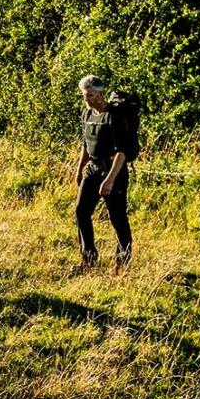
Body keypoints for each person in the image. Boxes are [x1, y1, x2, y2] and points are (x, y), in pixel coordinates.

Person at [74, 75, 139, 272]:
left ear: (101, 94)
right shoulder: (87, 115)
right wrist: (79, 170)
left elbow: (122, 151)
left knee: (117, 217)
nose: (87, 99)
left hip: (114, 172)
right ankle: (89, 259)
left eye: (91, 95)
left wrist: (110, 180)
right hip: (93, 169)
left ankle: (122, 261)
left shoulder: (114, 116)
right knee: (81, 212)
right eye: (85, 95)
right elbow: (86, 145)